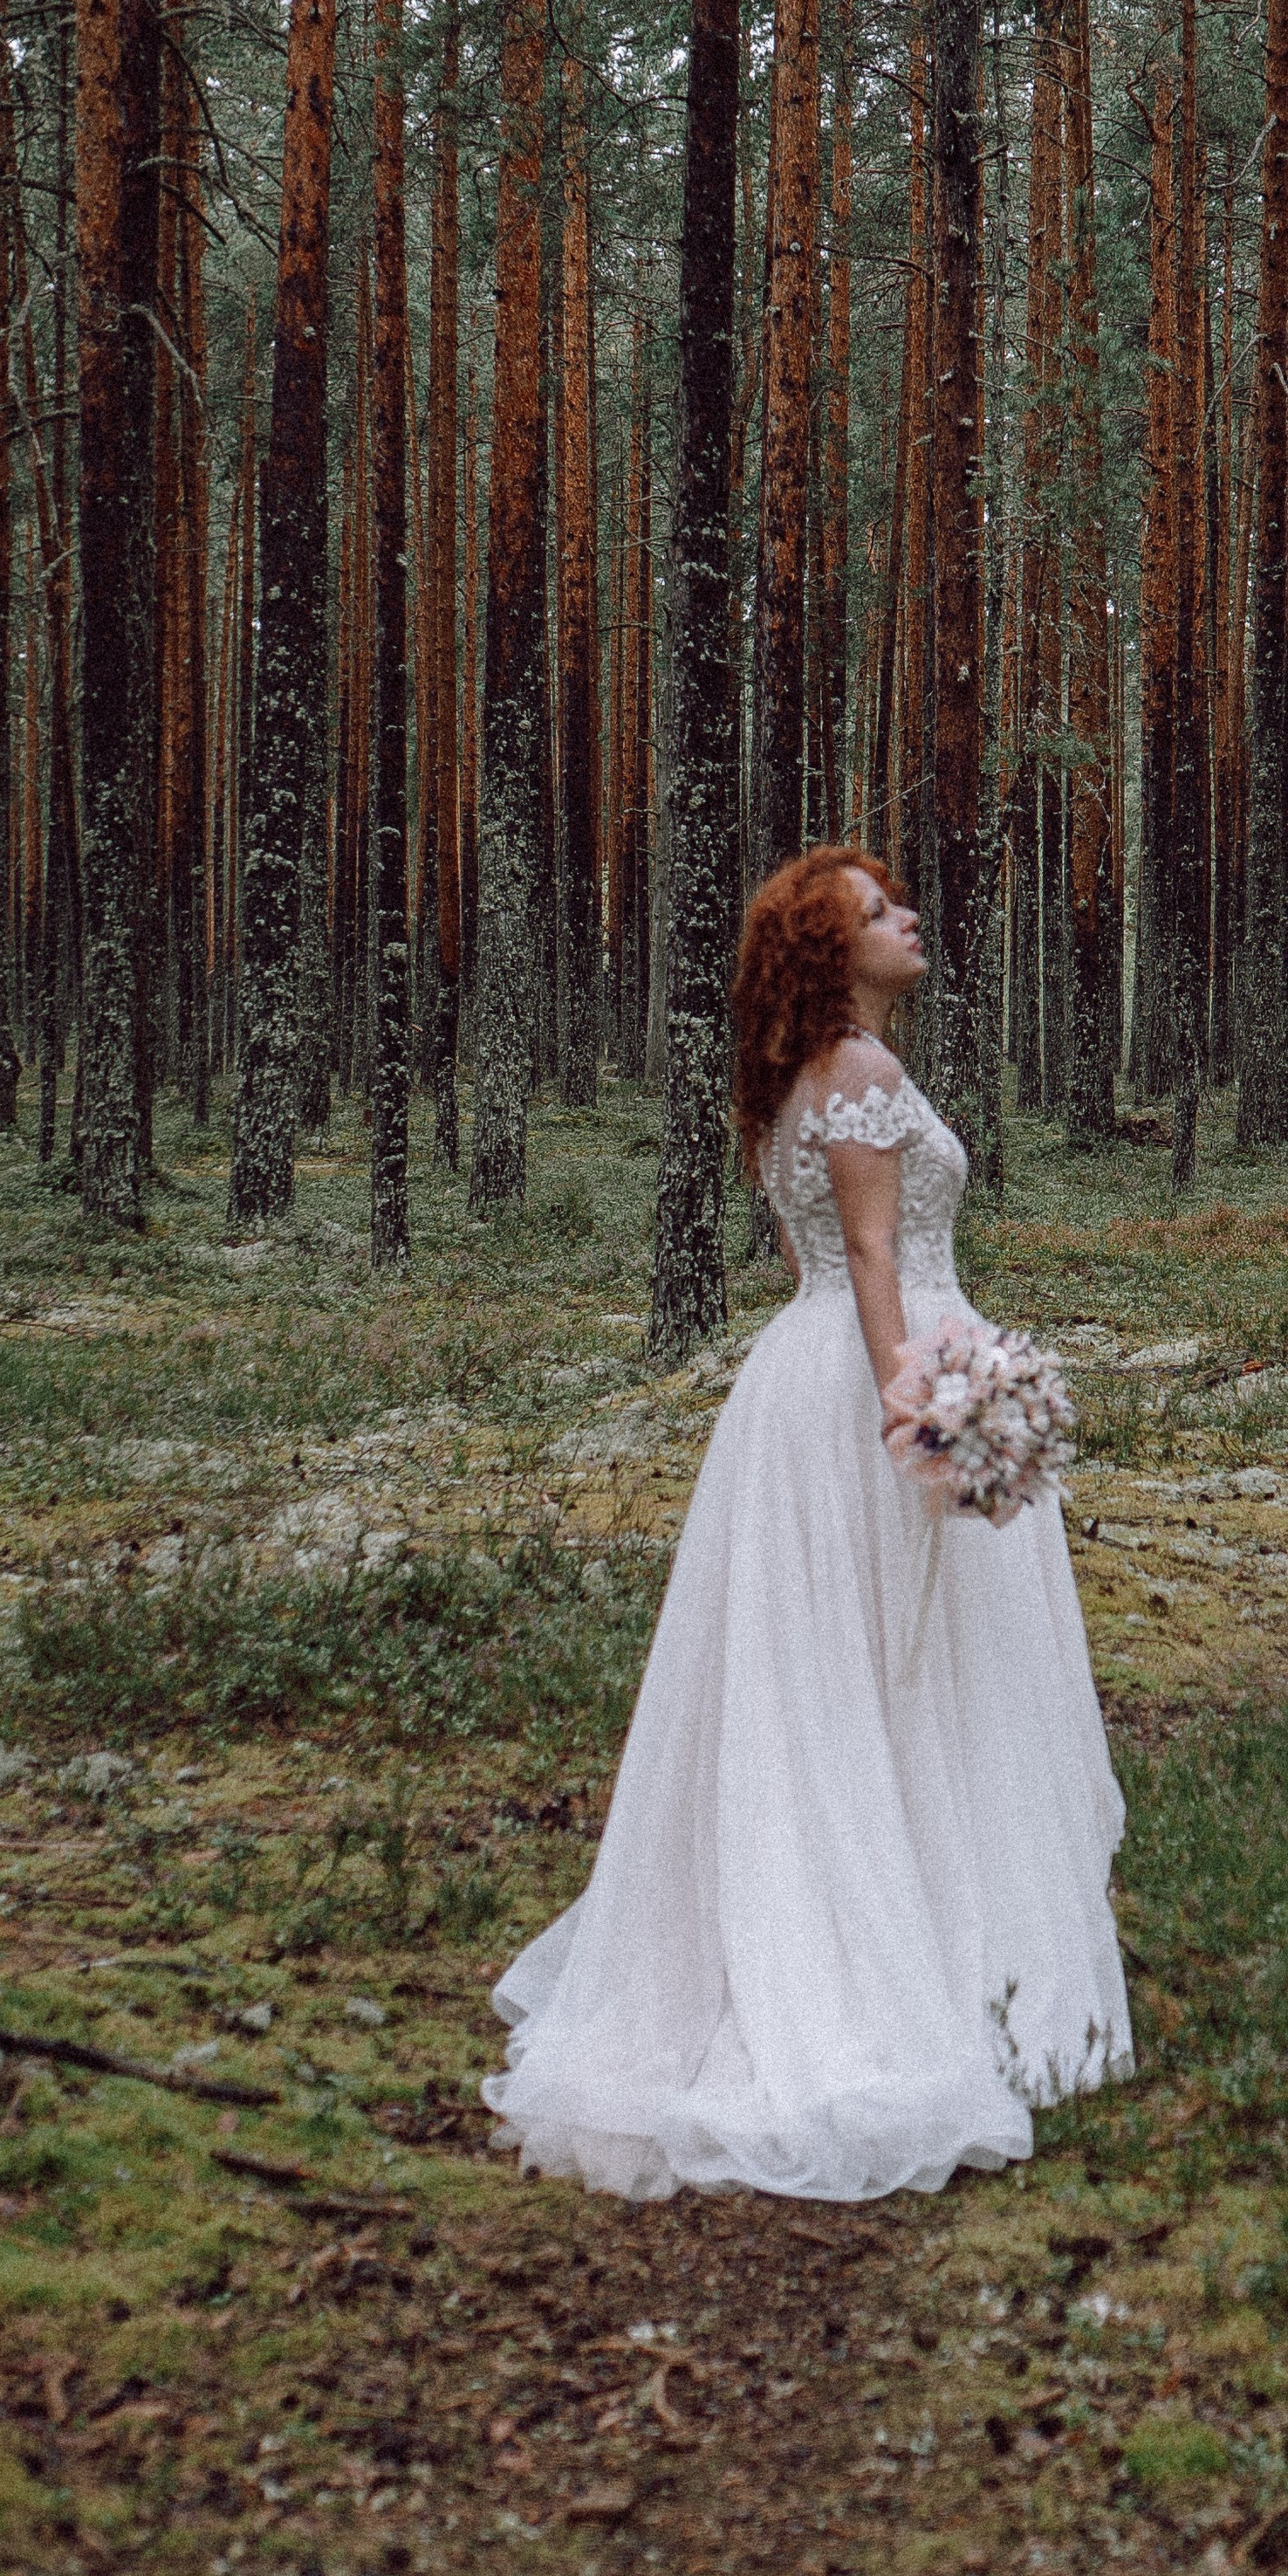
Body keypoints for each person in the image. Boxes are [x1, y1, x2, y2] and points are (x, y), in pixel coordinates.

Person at [483, 845, 1129, 2202]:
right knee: (899, 1666)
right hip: (873, 1372)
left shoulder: (799, 1084)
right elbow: (879, 1257)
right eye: (879, 912)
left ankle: (892, 1922)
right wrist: (920, 1401)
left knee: (846, 1672)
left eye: (899, 902)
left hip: (804, 1375)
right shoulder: (866, 1077)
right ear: (833, 953)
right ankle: (927, 1960)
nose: (908, 919)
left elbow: (812, 1259)